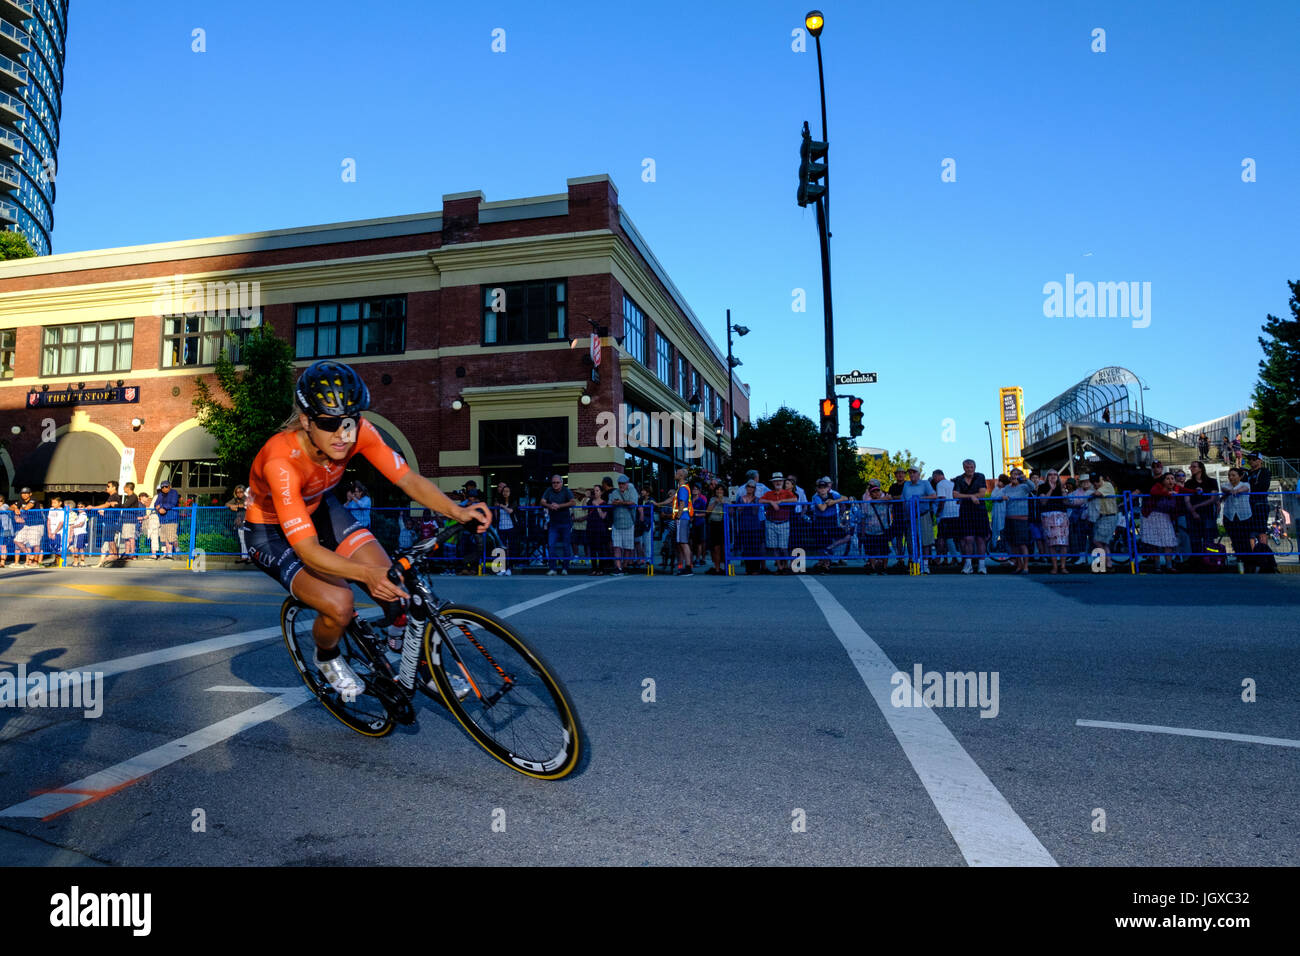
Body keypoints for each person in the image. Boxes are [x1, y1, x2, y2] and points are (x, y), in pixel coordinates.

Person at [243, 360, 490, 697]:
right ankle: (326, 657)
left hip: (319, 507)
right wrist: (365, 574)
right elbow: (308, 551)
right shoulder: (281, 462)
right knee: (340, 602)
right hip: (270, 532)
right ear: (306, 421)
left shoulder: (357, 433)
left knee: (394, 580)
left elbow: (408, 480)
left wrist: (456, 511)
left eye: (350, 421)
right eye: (330, 424)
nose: (343, 435)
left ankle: (409, 658)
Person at [952, 459, 991, 574]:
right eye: (967, 467)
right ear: (963, 468)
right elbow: (955, 495)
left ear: (974, 467)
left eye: (971, 467)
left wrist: (966, 496)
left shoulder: (980, 476)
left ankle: (982, 565)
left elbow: (982, 493)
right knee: (968, 538)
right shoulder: (959, 479)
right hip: (965, 511)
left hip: (980, 510)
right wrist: (972, 497)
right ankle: (968, 564)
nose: (969, 469)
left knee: (980, 538)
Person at [1139, 472, 1180, 572]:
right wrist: (1168, 493)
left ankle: (1169, 566)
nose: (1170, 481)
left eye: (1172, 478)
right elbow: (1154, 492)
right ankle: (1157, 566)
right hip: (1152, 516)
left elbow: (1188, 491)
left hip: (1165, 516)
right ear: (1163, 481)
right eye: (1167, 478)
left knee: (1168, 541)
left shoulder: (1177, 489)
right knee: (1154, 542)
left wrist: (1196, 490)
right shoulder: (1157, 487)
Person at [809, 477, 851, 573]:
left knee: (847, 536)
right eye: (820, 488)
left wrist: (833, 502)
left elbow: (845, 498)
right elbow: (822, 508)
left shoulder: (833, 494)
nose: (822, 489)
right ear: (817, 489)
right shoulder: (816, 497)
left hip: (831, 521)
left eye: (824, 487)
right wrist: (828, 503)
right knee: (822, 543)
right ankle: (825, 565)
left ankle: (829, 550)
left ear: (828, 488)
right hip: (820, 522)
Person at [1183, 461, 1219, 565]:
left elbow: (1213, 498)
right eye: (1191, 466)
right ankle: (1197, 562)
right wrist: (1193, 511)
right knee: (1195, 539)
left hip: (1208, 513)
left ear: (1200, 469)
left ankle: (1210, 561)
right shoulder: (1189, 483)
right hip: (1192, 515)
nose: (1191, 468)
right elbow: (1186, 500)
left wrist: (1197, 506)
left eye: (1194, 467)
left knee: (1208, 538)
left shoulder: (1212, 481)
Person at [761, 472, 796, 573]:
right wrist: (771, 502)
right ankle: (779, 567)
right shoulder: (769, 493)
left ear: (782, 482)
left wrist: (781, 501)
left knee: (783, 547)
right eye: (776, 481)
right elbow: (760, 500)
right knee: (774, 547)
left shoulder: (787, 493)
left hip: (783, 522)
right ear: (773, 483)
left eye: (779, 481)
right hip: (771, 522)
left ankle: (787, 566)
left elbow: (795, 499)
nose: (778, 483)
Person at [1001, 469, 1035, 573]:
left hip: (1021, 518)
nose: (1014, 476)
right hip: (1009, 517)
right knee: (1013, 544)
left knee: (1022, 543)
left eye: (1016, 474)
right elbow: (998, 496)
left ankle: (1025, 566)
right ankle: (1019, 565)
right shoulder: (1006, 487)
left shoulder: (1024, 487)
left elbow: (1033, 487)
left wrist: (1026, 479)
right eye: (1012, 474)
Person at [542, 474, 575, 575]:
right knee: (551, 545)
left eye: (557, 482)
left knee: (566, 546)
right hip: (553, 524)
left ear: (561, 483)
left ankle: (565, 568)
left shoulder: (566, 491)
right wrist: (550, 505)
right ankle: (553, 568)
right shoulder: (548, 490)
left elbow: (573, 502)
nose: (555, 484)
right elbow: (542, 501)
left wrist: (559, 506)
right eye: (553, 482)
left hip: (565, 523)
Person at [1037, 471, 1070, 573]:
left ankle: (1063, 566)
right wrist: (1051, 489)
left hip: (1061, 515)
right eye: (1050, 474)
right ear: (1047, 477)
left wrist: (1063, 490)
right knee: (1052, 543)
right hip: (1048, 515)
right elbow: (1043, 502)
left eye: (1055, 474)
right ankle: (1055, 567)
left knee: (1063, 542)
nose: (1053, 476)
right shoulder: (1042, 487)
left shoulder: (1061, 486)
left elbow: (1066, 501)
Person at [607, 475, 637, 576]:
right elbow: (609, 503)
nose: (621, 485)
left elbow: (633, 503)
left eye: (623, 483)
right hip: (616, 524)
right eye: (619, 483)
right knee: (617, 546)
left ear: (627, 483)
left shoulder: (632, 491)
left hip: (628, 523)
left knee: (628, 547)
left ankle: (624, 566)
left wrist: (621, 503)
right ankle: (618, 567)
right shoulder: (614, 492)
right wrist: (613, 503)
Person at [95, 482, 122, 567]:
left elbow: (106, 505)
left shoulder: (114, 496)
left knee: (110, 538)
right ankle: (112, 554)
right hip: (109, 520)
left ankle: (113, 554)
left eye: (108, 486)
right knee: (110, 538)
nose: (106, 488)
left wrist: (93, 507)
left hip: (112, 521)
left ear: (114, 488)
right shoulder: (112, 496)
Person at [493, 483, 517, 575]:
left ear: (510, 493)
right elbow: (496, 514)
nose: (505, 493)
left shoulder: (513, 502)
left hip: (511, 527)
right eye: (504, 491)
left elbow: (510, 511)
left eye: (507, 491)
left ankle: (509, 568)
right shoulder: (498, 501)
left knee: (510, 548)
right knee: (501, 548)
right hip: (501, 527)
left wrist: (502, 506)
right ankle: (502, 569)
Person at [154, 480, 181, 559]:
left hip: (171, 518)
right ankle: (168, 554)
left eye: (166, 486)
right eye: (163, 487)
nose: (164, 488)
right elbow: (156, 504)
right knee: (164, 538)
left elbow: (172, 503)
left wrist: (162, 507)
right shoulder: (160, 494)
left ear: (170, 486)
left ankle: (177, 551)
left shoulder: (174, 492)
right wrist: (158, 509)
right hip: (162, 519)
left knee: (172, 538)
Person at [118, 482, 139, 561]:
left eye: (124, 487)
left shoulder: (133, 497)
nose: (123, 488)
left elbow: (125, 506)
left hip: (130, 520)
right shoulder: (129, 497)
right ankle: (127, 553)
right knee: (126, 537)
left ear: (128, 488)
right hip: (126, 519)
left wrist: (117, 505)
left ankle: (132, 553)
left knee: (130, 537)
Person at [139, 492, 161, 558]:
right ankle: (156, 553)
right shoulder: (158, 497)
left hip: (154, 520)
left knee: (154, 537)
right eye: (146, 497)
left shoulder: (157, 497)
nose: (148, 499)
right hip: (155, 519)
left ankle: (154, 554)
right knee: (155, 537)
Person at [69, 501, 89, 567]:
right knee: (80, 548)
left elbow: (81, 524)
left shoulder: (83, 515)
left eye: (81, 507)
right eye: (78, 507)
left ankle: (76, 561)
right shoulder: (79, 515)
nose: (79, 508)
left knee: (76, 548)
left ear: (84, 507)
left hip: (79, 533)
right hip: (79, 533)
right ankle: (82, 562)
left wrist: (73, 526)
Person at [0, 495, 14, 568]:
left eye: (1, 501)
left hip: (6, 529)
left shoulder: (5, 506)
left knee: (3, 546)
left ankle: (2, 562)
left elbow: (3, 509)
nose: (0, 502)